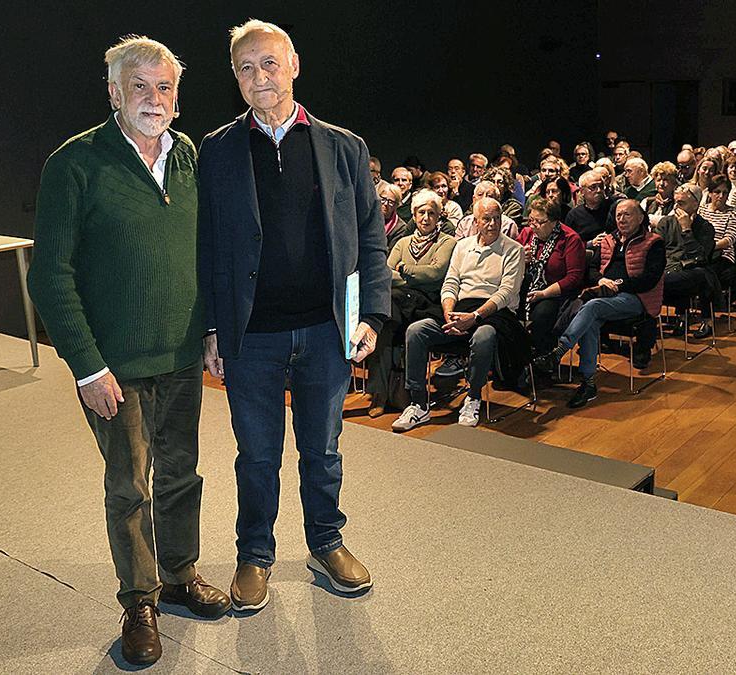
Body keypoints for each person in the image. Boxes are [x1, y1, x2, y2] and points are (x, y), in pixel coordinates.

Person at [27, 35, 230, 666]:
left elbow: (206, 254)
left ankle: (178, 574)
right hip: (112, 367)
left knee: (180, 475)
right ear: (113, 93)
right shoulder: (75, 163)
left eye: (165, 86)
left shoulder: (189, 156)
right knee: (128, 487)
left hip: (180, 357)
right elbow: (50, 276)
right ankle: (139, 598)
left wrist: (213, 331)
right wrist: (87, 365)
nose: (154, 98)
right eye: (138, 85)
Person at [197, 20, 390, 612]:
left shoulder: (344, 147)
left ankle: (325, 542)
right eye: (247, 68)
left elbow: (369, 239)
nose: (261, 77)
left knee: (323, 449)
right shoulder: (217, 150)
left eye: (270, 63)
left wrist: (371, 316)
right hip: (250, 336)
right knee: (256, 455)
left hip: (325, 331)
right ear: (235, 77)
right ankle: (254, 553)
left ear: (294, 65)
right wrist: (210, 326)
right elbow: (204, 245)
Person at [392, 197, 526, 431]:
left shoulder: (514, 250)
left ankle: (473, 398)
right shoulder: (462, 246)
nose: (493, 224)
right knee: (416, 330)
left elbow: (505, 293)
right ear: (476, 221)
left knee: (483, 336)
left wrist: (474, 317)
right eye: (487, 219)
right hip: (458, 310)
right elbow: (450, 282)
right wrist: (448, 313)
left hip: (495, 314)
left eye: (497, 218)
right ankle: (418, 404)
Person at [537, 200, 665, 408]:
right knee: (592, 320)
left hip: (637, 298)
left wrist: (618, 284)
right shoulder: (608, 239)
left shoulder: (654, 242)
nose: (621, 219)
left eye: (627, 215)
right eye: (618, 215)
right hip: (605, 295)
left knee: (593, 306)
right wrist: (601, 280)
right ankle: (588, 384)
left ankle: (560, 350)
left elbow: (649, 279)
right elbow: (593, 269)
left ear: (640, 218)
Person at [367, 190, 457, 416]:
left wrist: (404, 270)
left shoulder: (448, 242)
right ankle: (383, 395)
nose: (426, 218)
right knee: (385, 324)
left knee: (387, 316)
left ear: (439, 216)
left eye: (431, 213)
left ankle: (385, 393)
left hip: (427, 304)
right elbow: (386, 273)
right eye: (421, 213)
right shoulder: (403, 243)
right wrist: (413, 276)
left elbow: (436, 273)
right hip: (399, 301)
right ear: (414, 216)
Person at [517, 199, 585, 372]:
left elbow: (574, 277)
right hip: (526, 287)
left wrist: (544, 293)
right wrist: (519, 260)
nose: (534, 225)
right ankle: (515, 361)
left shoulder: (570, 239)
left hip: (555, 292)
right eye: (531, 220)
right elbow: (509, 264)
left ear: (555, 221)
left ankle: (542, 362)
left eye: (539, 222)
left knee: (541, 315)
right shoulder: (526, 234)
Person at [654, 184, 718, 339]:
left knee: (700, 274)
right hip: (669, 268)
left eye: (681, 203)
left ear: (695, 204)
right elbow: (656, 250)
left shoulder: (705, 227)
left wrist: (686, 230)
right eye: (676, 202)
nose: (676, 207)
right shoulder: (666, 223)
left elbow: (701, 256)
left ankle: (704, 320)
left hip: (694, 268)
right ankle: (682, 316)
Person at [699, 174, 736, 308]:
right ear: (710, 193)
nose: (721, 196)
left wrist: (710, 247)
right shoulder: (701, 210)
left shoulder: (732, 213)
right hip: (701, 253)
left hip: (722, 255)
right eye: (717, 192)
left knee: (704, 273)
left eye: (725, 193)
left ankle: (709, 312)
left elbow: (729, 239)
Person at [566, 169, 620, 241]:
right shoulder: (574, 215)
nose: (598, 190)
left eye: (601, 186)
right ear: (582, 191)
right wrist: (590, 244)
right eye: (593, 187)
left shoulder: (614, 207)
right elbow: (569, 242)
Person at [454, 181, 520, 239]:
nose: (484, 198)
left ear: (497, 200)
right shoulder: (465, 223)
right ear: (474, 199)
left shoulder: (508, 225)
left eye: (490, 196)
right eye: (480, 195)